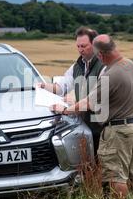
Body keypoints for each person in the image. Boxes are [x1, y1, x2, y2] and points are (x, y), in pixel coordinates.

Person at [50, 34, 133, 199]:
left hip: (119, 131)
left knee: (116, 176)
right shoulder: (131, 65)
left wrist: (65, 110)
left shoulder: (110, 75)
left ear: (101, 55)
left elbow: (88, 102)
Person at [39, 26, 105, 155]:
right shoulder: (77, 66)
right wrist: (44, 86)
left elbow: (93, 101)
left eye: (84, 46)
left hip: (103, 128)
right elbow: (61, 87)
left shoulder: (104, 66)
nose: (80, 50)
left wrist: (66, 109)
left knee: (105, 168)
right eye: (78, 46)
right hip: (86, 127)